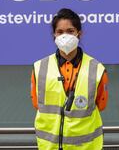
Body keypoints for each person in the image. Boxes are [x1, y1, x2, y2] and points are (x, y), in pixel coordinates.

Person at [30, 8, 109, 150]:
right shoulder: (39, 67)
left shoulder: (97, 69)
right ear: (54, 34)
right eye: (60, 32)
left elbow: (101, 106)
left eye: (70, 31)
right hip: (49, 146)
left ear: (79, 33)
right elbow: (37, 104)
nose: (65, 36)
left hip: (86, 147)